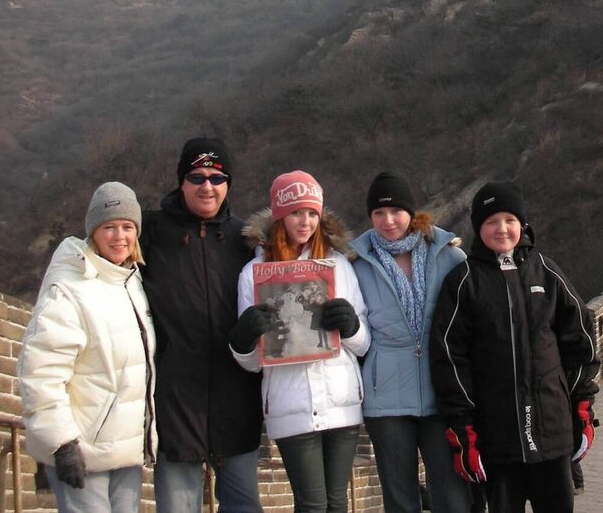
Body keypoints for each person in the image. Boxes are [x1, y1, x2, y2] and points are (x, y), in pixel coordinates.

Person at [430, 182, 599, 513]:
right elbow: (450, 360)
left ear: (522, 224)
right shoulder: (463, 281)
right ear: (479, 228)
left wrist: (582, 405)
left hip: (551, 431)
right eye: (491, 221)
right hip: (496, 438)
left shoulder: (547, 272)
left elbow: (581, 340)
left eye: (509, 219)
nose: (501, 229)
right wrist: (463, 432)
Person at [232, 171, 370, 513]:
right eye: (295, 212)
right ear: (280, 217)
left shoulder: (338, 266)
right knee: (311, 504)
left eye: (312, 213)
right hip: (289, 402)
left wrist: (351, 326)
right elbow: (251, 363)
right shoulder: (255, 273)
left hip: (341, 400)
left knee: (337, 503)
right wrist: (243, 339)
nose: (305, 221)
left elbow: (364, 343)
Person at [140, 138, 264, 513]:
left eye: (217, 177)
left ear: (228, 184)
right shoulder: (149, 233)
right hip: (175, 401)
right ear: (181, 181)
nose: (207, 186)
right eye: (197, 176)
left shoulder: (248, 240)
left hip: (237, 400)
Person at [18, 182, 157, 513]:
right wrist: (62, 442)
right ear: (93, 232)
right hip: (82, 448)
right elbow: (41, 372)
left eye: (127, 227)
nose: (119, 236)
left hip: (125, 449)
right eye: (109, 227)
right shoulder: (68, 288)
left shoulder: (131, 282)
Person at [350, 172, 470, 513]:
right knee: (400, 497)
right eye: (378, 213)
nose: (388, 221)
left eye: (396, 211)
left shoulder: (448, 257)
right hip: (385, 398)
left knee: (451, 494)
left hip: (440, 391)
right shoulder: (357, 265)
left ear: (412, 212)